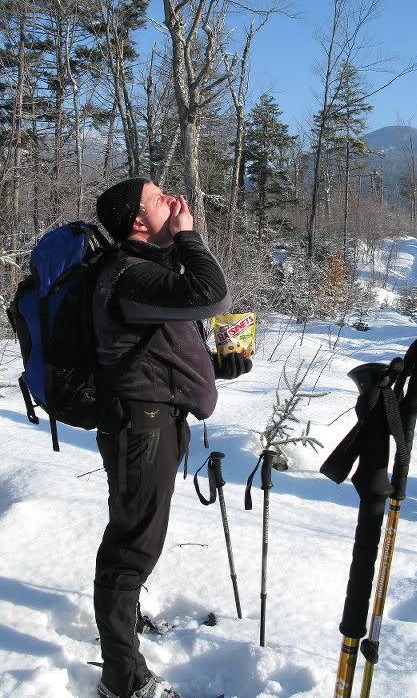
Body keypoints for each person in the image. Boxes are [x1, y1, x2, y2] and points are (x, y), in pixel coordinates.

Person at [92, 178, 252, 698]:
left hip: (156, 424)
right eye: (162, 200)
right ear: (139, 222)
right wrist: (189, 236)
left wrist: (216, 367)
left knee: (136, 537)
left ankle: (126, 621)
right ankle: (122, 679)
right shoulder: (128, 276)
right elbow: (213, 293)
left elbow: (165, 350)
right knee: (130, 550)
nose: (177, 202)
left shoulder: (147, 274)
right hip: (142, 431)